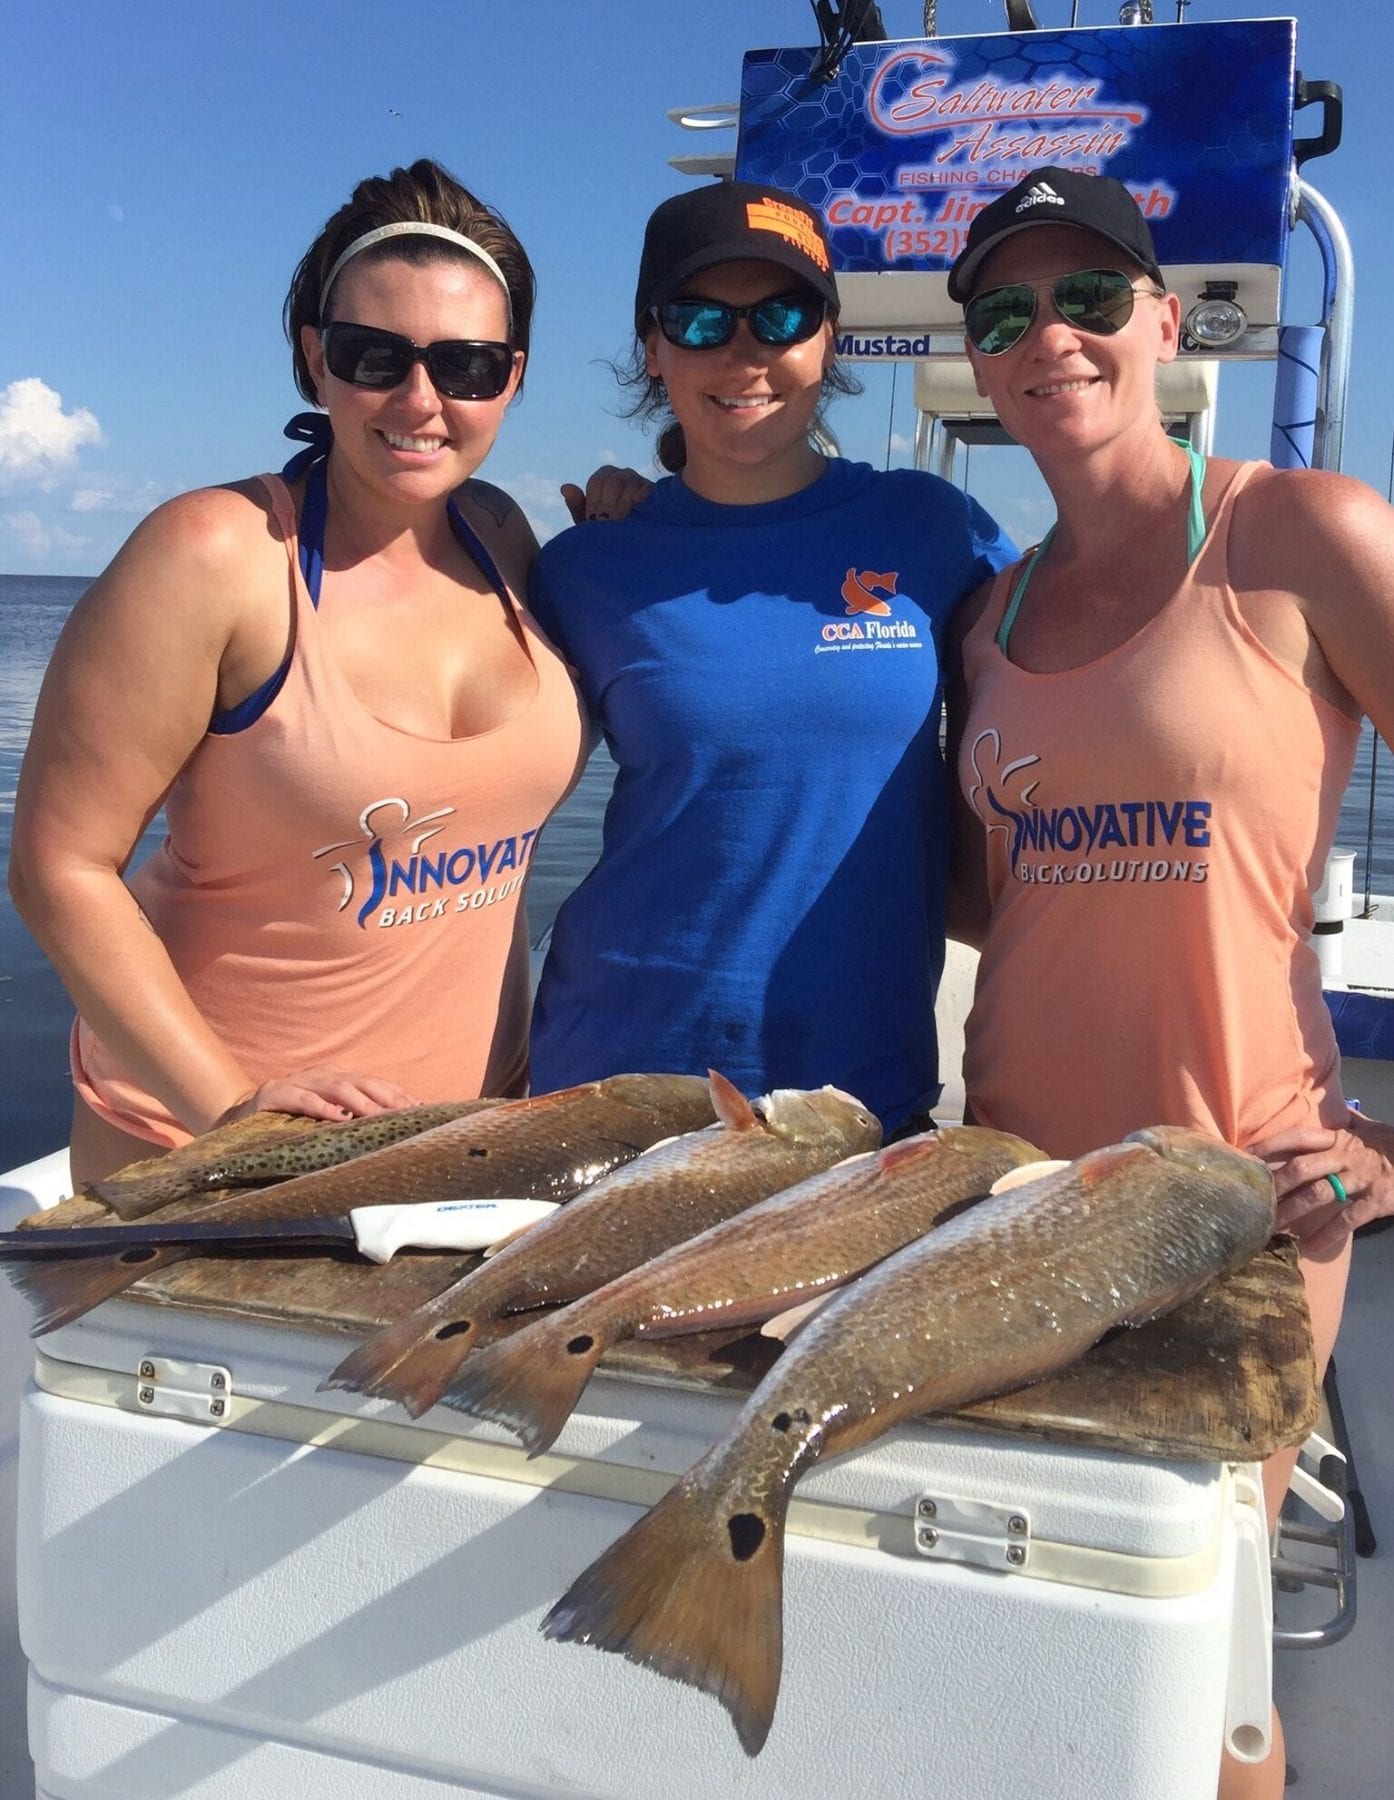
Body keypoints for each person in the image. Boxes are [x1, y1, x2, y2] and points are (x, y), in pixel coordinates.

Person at [942, 166, 1394, 1800]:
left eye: (1080, 298)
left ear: (1160, 319)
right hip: (1007, 1201)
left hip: (1232, 1206)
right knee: (1013, 1631)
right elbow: (995, 903)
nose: (1042, 335)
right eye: (1001, 313)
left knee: (1196, 1669)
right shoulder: (985, 615)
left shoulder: (1295, 533)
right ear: (976, 366)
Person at [7, 158, 635, 1185]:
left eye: (467, 366)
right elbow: (58, 869)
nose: (422, 400)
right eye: (373, 355)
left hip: (466, 1140)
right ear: (316, 361)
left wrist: (645, 532)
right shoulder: (215, 556)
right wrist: (232, 1116)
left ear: (513, 375)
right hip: (213, 1157)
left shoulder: (502, 535)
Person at [524, 180, 1017, 1134]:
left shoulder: (932, 527)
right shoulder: (587, 565)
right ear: (652, 348)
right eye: (701, 321)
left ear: (827, 340)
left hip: (854, 1088)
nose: (744, 352)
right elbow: (478, 805)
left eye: (782, 316)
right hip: (612, 1078)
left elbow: (1084, 676)